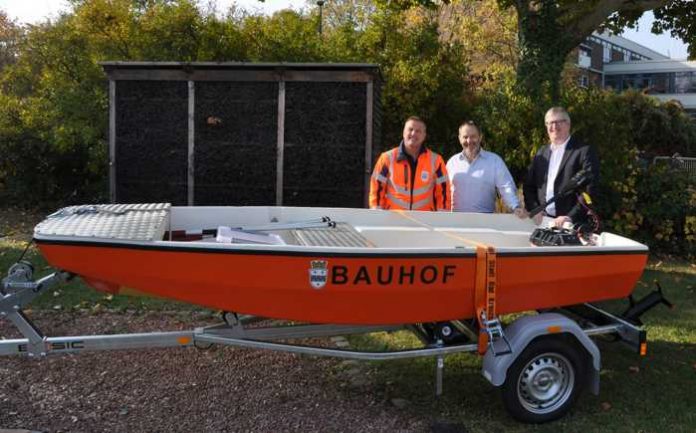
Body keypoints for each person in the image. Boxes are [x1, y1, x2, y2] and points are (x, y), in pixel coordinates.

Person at [523, 107, 600, 227]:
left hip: (571, 224)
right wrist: (535, 209)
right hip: (543, 221)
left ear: (568, 124)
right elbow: (529, 185)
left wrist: (570, 217)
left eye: (558, 122)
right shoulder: (541, 153)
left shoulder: (584, 151)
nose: (553, 126)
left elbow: (590, 190)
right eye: (549, 123)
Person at [369, 116, 450, 211]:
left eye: (418, 131)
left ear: (424, 136)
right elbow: (376, 190)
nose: (413, 133)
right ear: (403, 132)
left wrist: (442, 217)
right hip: (393, 220)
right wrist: (377, 215)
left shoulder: (436, 160)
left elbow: (444, 193)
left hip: (424, 221)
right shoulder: (386, 158)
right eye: (410, 129)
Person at [446, 121, 525, 217]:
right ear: (459, 139)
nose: (469, 141)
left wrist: (515, 206)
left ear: (480, 137)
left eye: (473, 136)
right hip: (455, 221)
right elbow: (442, 192)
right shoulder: (452, 163)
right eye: (465, 137)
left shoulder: (494, 161)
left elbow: (506, 187)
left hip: (485, 222)